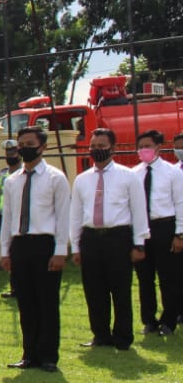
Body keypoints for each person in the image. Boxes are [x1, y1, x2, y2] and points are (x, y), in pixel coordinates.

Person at [70, 128, 149, 351]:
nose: (96, 150)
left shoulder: (128, 176)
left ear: (112, 148)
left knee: (120, 289)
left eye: (101, 146)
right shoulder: (82, 179)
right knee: (94, 290)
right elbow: (75, 215)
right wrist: (76, 246)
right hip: (91, 238)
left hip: (118, 237)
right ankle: (100, 335)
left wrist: (139, 243)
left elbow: (139, 211)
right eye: (93, 146)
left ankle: (123, 336)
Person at [0, 126, 69, 372]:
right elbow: (7, 218)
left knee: (47, 301)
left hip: (45, 244)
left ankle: (48, 355)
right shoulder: (12, 181)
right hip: (20, 244)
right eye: (21, 143)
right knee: (25, 302)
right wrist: (5, 251)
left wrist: (60, 250)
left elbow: (63, 216)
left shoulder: (55, 178)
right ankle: (29, 354)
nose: (24, 148)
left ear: (43, 147)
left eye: (29, 143)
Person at [131, 130, 183, 335]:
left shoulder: (173, 173)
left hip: (165, 226)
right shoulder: (134, 174)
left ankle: (169, 320)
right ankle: (149, 319)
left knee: (168, 276)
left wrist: (179, 234)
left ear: (158, 147)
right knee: (144, 278)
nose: (143, 150)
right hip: (143, 228)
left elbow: (180, 204)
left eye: (147, 145)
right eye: (140, 146)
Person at [0, 139, 23, 299]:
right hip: (5, 217)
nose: (11, 155)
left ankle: (21, 287)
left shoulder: (23, 172)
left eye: (13, 152)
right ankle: (14, 288)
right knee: (9, 253)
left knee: (19, 254)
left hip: (19, 218)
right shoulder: (3, 173)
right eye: (8, 152)